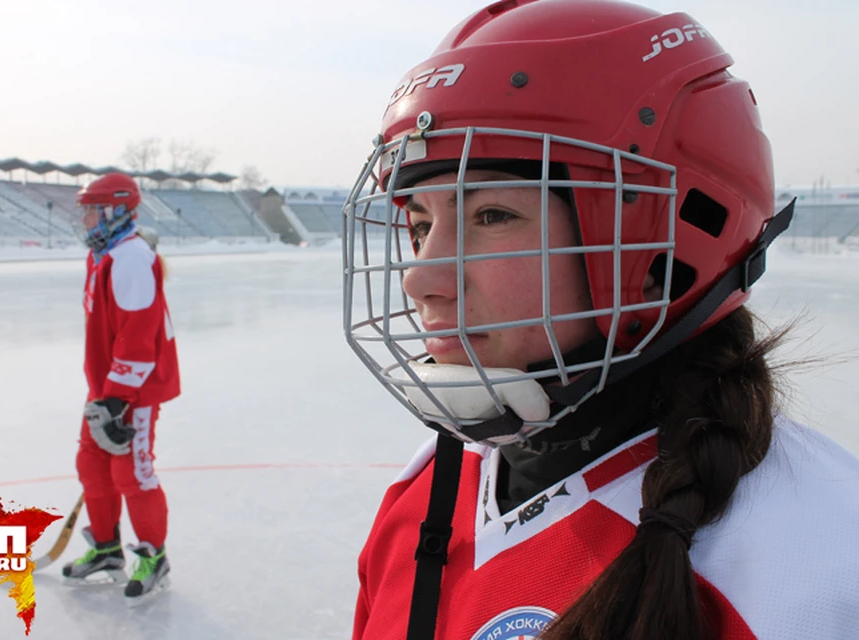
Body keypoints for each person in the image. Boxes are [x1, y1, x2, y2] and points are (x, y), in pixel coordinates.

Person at [341, 1, 859, 639]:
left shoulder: (816, 564)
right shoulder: (427, 494)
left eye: (492, 216)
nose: (419, 278)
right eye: (421, 225)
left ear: (656, 250)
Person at [61, 172, 179, 604]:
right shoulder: (104, 255)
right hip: (106, 388)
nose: (86, 218)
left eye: (92, 209)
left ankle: (154, 557)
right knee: (92, 466)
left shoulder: (131, 258)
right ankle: (107, 551)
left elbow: (138, 335)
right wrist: (103, 393)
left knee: (133, 472)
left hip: (134, 389)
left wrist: (116, 398)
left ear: (114, 211)